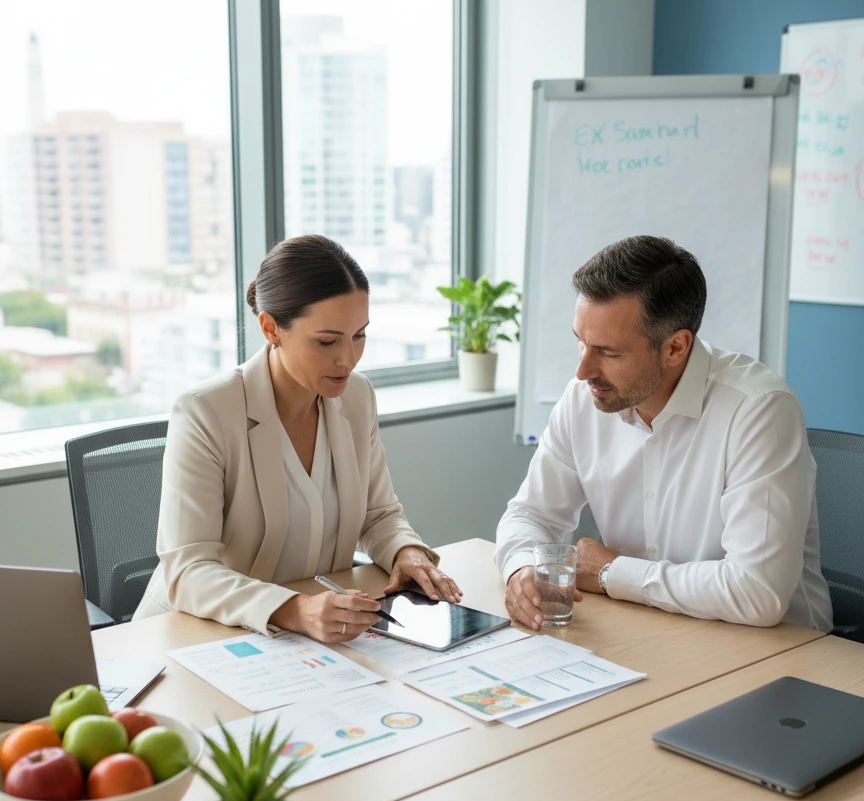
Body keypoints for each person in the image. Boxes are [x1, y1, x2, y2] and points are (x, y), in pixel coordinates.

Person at [496, 235, 832, 634]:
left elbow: (756, 593)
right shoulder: (583, 400)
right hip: (652, 629)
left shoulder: (758, 410)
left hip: (780, 652)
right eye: (581, 343)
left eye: (609, 352)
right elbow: (529, 514)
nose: (583, 371)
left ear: (675, 348)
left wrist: (610, 573)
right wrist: (522, 569)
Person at [135, 234, 462, 642]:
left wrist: (404, 551)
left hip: (306, 639)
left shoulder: (357, 397)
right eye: (327, 341)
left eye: (359, 335)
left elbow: (378, 515)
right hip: (197, 634)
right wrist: (294, 609)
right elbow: (187, 571)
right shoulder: (206, 412)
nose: (348, 359)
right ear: (271, 328)